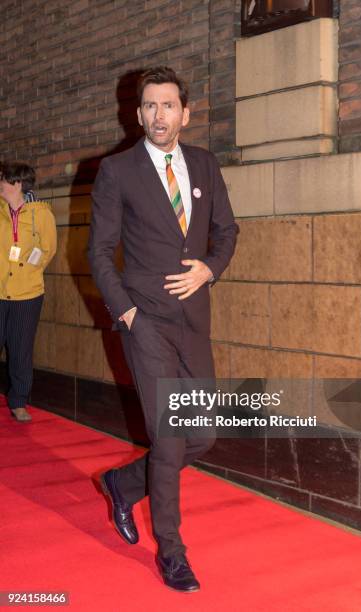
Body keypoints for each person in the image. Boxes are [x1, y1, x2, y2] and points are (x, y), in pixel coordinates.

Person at [88, 66, 238, 592]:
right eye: (150, 106)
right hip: (144, 320)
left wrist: (210, 268)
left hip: (194, 322)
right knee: (170, 434)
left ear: (185, 113)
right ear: (138, 114)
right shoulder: (117, 170)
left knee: (203, 433)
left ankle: (123, 483)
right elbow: (99, 251)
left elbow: (227, 229)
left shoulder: (203, 163)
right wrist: (126, 311)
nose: (159, 115)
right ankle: (172, 552)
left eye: (168, 105)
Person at [0, 162, 57, 422]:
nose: (0, 184)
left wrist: (28, 272)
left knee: (21, 350)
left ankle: (19, 401)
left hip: (27, 294)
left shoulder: (41, 213)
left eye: (4, 180)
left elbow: (48, 250)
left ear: (18, 184)